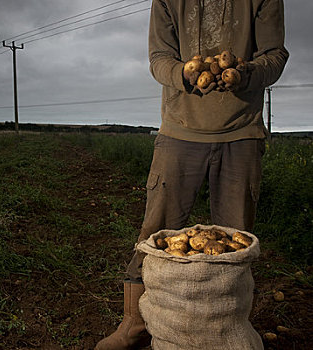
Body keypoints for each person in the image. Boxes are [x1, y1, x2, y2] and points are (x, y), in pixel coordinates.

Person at [95, 0, 288, 349]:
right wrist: (183, 73)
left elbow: (274, 55)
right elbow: (158, 58)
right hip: (179, 129)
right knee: (155, 228)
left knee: (235, 239)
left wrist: (245, 74)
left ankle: (226, 328)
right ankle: (134, 323)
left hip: (241, 131)